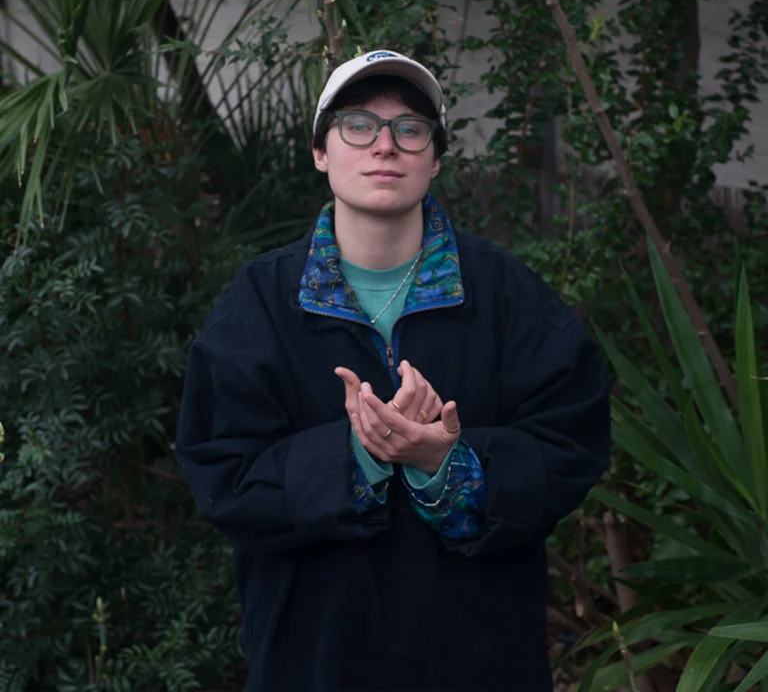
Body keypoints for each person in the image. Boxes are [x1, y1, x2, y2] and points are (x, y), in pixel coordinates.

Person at [175, 49, 611, 691]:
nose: (385, 145)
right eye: (357, 125)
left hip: (480, 654)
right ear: (322, 152)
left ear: (434, 158)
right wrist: (360, 457)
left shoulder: (503, 293)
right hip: (315, 653)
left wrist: (449, 466)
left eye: (410, 129)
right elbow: (220, 469)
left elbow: (573, 444)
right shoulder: (262, 300)